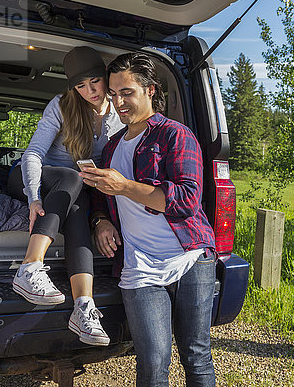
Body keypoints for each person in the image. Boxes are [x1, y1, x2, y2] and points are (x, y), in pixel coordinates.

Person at [81, 53, 216, 386]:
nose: (118, 101)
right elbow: (101, 195)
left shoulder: (175, 135)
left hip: (189, 259)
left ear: (150, 90)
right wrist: (100, 220)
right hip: (139, 267)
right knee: (153, 362)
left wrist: (125, 186)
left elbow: (186, 201)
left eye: (127, 92)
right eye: (113, 94)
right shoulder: (112, 148)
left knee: (196, 355)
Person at [7, 46, 123, 346]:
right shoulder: (62, 105)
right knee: (72, 177)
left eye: (94, 82)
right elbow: (33, 153)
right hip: (31, 177)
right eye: (80, 85)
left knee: (79, 206)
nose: (89, 91)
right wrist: (33, 196)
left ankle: (83, 307)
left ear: (105, 77)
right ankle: (29, 267)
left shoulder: (119, 115)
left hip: (73, 189)